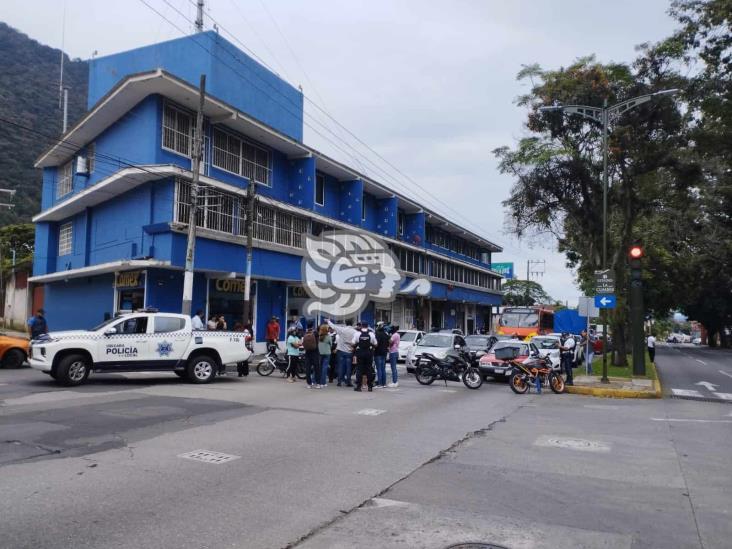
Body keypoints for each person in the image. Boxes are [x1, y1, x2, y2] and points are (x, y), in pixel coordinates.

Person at [327, 319, 357, 387]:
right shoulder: (355, 332)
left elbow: (333, 326)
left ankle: (339, 381)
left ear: (345, 323)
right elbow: (355, 342)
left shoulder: (342, 330)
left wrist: (328, 321)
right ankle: (348, 382)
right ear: (352, 323)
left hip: (341, 351)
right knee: (348, 367)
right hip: (349, 351)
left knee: (341, 367)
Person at [351, 321, 377, 392]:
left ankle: (359, 387)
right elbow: (376, 344)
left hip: (360, 353)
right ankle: (370, 387)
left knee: (359, 369)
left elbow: (352, 344)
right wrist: (370, 345)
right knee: (369, 369)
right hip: (369, 353)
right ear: (367, 326)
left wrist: (358, 344)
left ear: (361, 326)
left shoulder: (357, 333)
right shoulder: (371, 333)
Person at [301, 323, 320, 388]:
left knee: (308, 369)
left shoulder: (305, 334)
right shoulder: (315, 333)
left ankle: (309, 384)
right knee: (316, 368)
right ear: (313, 326)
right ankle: (318, 384)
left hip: (307, 353)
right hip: (315, 352)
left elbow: (303, 343)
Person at [374, 322, 390, 388]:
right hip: (384, 353)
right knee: (383, 369)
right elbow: (390, 342)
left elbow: (376, 344)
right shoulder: (386, 334)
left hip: (378, 353)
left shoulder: (377, 334)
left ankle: (379, 384)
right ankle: (384, 384)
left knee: (379, 369)